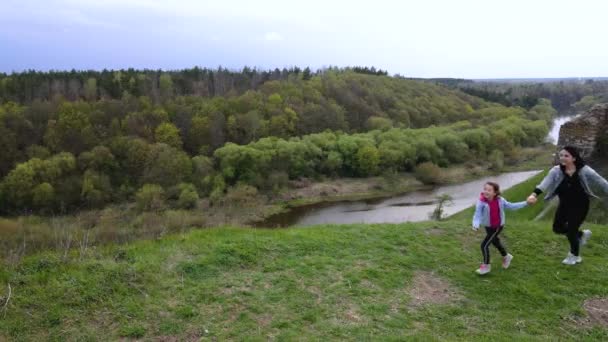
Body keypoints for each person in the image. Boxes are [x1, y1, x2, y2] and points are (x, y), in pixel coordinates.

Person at [527, 145, 608, 265]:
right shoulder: (556, 171)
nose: (563, 158)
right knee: (557, 228)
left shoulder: (584, 169)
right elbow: (544, 184)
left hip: (580, 205)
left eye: (566, 156)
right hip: (564, 204)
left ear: (574, 158)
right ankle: (581, 235)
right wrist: (534, 195)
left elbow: (601, 181)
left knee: (571, 230)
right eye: (561, 155)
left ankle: (574, 256)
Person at [472, 181, 531, 275]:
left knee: (484, 245)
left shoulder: (500, 200)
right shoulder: (481, 201)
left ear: (495, 193)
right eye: (485, 189)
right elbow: (477, 214)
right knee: (495, 242)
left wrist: (526, 203)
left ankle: (486, 266)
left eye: (489, 190)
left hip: (497, 226)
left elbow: (512, 206)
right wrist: (476, 224)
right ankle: (506, 256)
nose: (486, 191)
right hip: (488, 226)